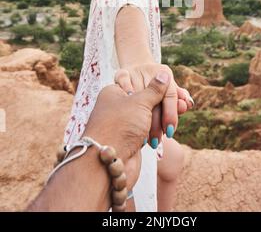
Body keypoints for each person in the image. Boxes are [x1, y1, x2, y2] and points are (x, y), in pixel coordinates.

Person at [63, 0, 192, 211]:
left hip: (99, 107)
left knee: (171, 161)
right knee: (127, 191)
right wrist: (141, 64)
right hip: (124, 108)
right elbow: (129, 14)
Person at [27, 69, 179, 212]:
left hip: (115, 98)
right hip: (115, 92)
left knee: (172, 159)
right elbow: (130, 44)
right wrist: (146, 70)